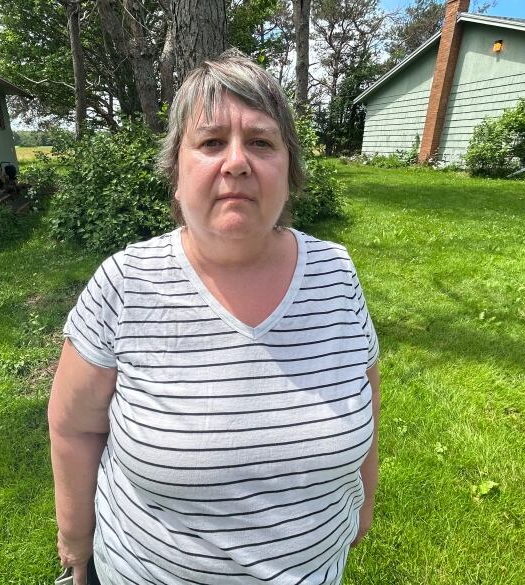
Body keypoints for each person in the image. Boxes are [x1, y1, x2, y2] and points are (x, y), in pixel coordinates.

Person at [48, 49, 380, 585]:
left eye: (261, 142)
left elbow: (367, 394)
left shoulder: (336, 274)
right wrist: (75, 544)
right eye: (210, 142)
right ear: (175, 173)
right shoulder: (125, 283)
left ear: (289, 171)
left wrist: (362, 503)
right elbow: (73, 428)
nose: (237, 162)